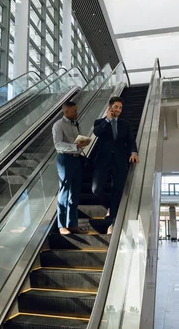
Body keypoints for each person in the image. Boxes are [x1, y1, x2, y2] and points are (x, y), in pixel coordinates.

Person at [92, 96, 139, 234]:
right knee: (96, 189)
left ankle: (112, 223)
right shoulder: (100, 122)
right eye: (116, 107)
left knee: (118, 191)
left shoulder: (125, 124)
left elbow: (131, 140)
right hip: (102, 162)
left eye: (120, 108)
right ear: (110, 107)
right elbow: (97, 133)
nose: (118, 110)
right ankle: (110, 207)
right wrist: (107, 119)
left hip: (120, 161)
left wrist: (134, 152)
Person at [52, 101, 90, 235]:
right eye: (74, 111)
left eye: (77, 110)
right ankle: (62, 225)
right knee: (64, 191)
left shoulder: (76, 124)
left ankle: (73, 224)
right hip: (65, 159)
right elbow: (58, 145)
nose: (77, 112)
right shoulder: (58, 125)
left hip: (76, 159)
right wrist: (75, 146)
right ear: (66, 111)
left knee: (74, 193)